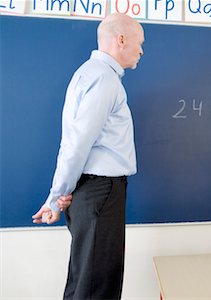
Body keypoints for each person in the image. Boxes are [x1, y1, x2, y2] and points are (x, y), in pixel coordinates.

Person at [32, 13, 145, 299]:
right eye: (139, 43)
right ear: (121, 40)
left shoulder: (86, 74)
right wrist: (57, 193)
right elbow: (78, 143)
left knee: (86, 279)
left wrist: (60, 194)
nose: (141, 50)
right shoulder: (104, 80)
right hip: (100, 191)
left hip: (89, 191)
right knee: (98, 284)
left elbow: (72, 141)